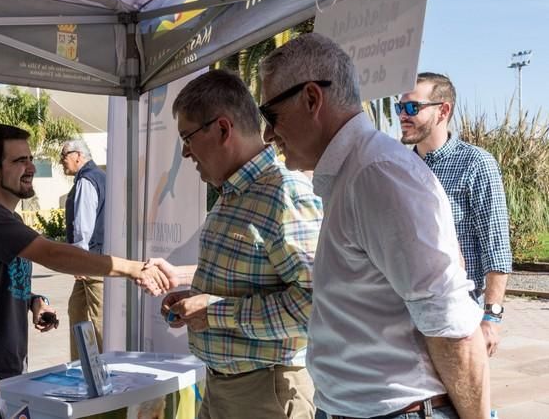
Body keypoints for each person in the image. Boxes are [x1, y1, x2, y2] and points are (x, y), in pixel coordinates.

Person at [258, 33, 490, 419]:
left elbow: (452, 326)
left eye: (271, 116)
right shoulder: (358, 173)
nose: (268, 134)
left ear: (312, 99)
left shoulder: (377, 174)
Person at [142, 70, 323, 419]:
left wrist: (213, 311)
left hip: (265, 392)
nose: (185, 153)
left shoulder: (286, 195)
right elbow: (253, 276)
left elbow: (314, 307)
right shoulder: (232, 193)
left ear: (223, 129)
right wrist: (196, 297)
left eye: (188, 138)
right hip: (225, 386)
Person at [0, 123, 167, 384]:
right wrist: (135, 269)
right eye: (20, 161)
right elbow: (52, 253)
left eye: (31, 159)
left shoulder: (10, 218)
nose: (31, 167)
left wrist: (34, 302)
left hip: (2, 372)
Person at [399, 73, 512, 356]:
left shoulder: (476, 164)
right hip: (401, 319)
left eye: (412, 108)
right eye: (399, 107)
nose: (403, 115)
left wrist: (492, 318)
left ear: (443, 111)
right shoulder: (397, 167)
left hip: (458, 318)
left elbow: (495, 246)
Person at [60, 139, 107, 360]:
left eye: (64, 156)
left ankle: (107, 367)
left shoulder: (87, 180)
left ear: (78, 155)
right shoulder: (99, 177)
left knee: (99, 320)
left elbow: (83, 225)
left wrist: (78, 260)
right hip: (94, 260)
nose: (61, 162)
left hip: (92, 262)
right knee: (76, 310)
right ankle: (80, 366)